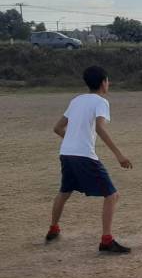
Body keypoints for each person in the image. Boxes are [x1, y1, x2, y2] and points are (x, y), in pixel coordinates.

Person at [46, 66, 133, 253]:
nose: (108, 84)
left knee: (65, 191)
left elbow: (57, 128)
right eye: (108, 81)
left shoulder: (76, 100)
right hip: (83, 155)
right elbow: (101, 128)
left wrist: (72, 140)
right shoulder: (101, 102)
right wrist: (119, 155)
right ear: (103, 83)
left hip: (66, 153)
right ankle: (106, 241)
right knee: (112, 195)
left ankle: (53, 228)